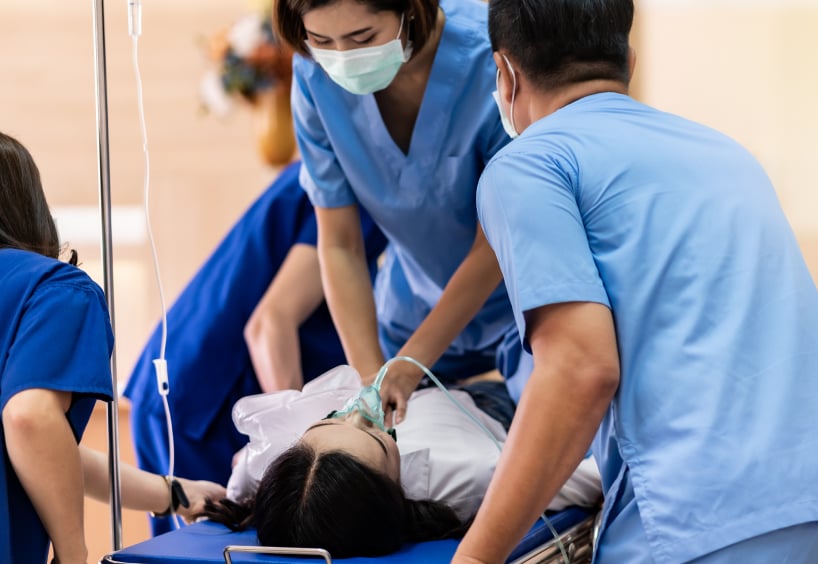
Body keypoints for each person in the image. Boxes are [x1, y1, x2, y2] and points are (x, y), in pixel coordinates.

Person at [453, 1, 818, 562]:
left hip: (711, 519)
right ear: (629, 61)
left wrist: (476, 556)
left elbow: (579, 370)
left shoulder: (531, 164)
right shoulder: (724, 152)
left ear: (506, 73)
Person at [274, 0, 529, 427]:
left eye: (363, 38)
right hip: (412, 307)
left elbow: (500, 237)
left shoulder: (491, 54)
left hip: (521, 306)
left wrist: (412, 362)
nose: (344, 58)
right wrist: (372, 379)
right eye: (321, 40)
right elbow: (339, 243)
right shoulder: (315, 77)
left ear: (409, 8)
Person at [124, 161, 387, 534]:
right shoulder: (347, 194)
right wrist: (294, 445)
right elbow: (269, 325)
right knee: (213, 548)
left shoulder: (315, 174)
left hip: (181, 390)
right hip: (205, 408)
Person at [0, 131, 225, 564]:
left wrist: (176, 493)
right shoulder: (52, 288)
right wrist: (73, 553)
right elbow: (29, 419)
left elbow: (45, 452)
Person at [202, 365, 601, 558]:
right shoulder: (476, 475)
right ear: (396, 488)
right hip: (485, 405)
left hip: (418, 383)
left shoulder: (285, 472)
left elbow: (246, 475)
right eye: (376, 435)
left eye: (331, 419)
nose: (359, 409)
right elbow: (595, 479)